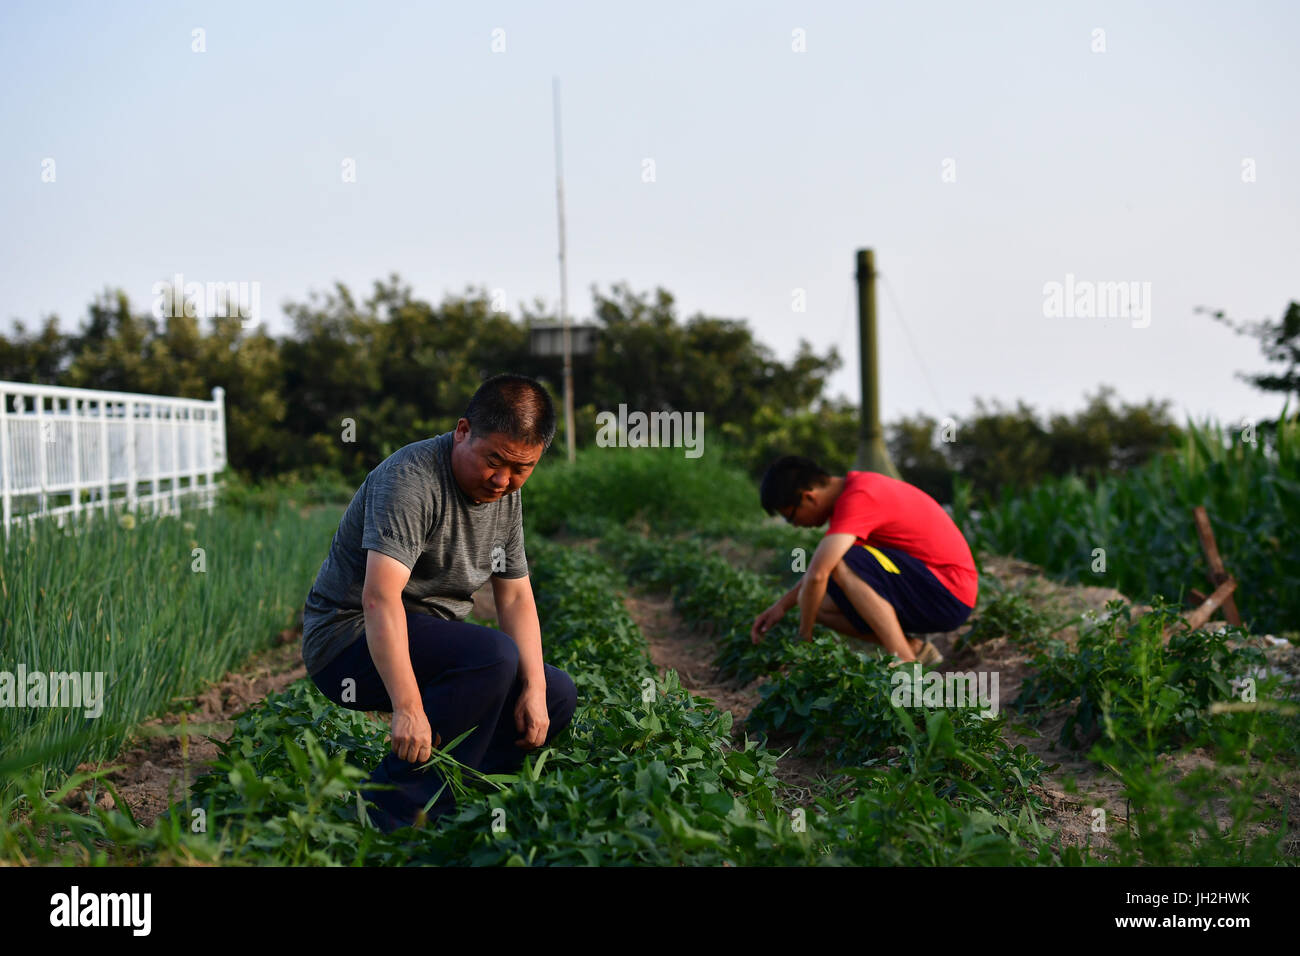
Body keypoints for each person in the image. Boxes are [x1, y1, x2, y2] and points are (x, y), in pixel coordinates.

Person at [300, 373, 577, 832]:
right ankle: (387, 814)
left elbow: (515, 597)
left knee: (557, 691)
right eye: (495, 461)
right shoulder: (410, 479)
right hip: (349, 641)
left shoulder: (507, 494)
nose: (503, 479)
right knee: (492, 657)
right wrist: (408, 707)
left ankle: (463, 793)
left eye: (521, 468)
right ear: (463, 431)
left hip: (425, 640)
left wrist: (535, 690)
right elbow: (379, 598)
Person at [749, 455, 977, 665]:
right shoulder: (851, 497)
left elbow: (820, 573)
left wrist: (804, 639)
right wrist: (782, 606)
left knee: (840, 563)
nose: (796, 525)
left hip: (948, 592)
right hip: (929, 587)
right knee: (815, 604)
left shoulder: (860, 497)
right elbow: (816, 578)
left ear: (808, 497)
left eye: (791, 518)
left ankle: (905, 663)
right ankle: (915, 649)